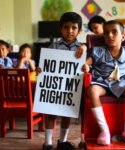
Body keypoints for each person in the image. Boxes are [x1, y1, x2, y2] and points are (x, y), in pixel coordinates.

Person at [82, 20, 125, 145]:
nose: (110, 35)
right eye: (106, 33)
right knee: (92, 90)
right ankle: (104, 131)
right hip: (102, 83)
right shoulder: (99, 51)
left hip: (123, 84)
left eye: (114, 32)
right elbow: (87, 63)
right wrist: (86, 67)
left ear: (123, 37)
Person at [43, 12, 86, 150]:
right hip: (54, 86)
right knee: (50, 113)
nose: (70, 31)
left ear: (79, 30)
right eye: (66, 27)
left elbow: (86, 66)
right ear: (61, 29)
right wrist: (40, 69)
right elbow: (45, 66)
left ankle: (63, 141)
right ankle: (48, 143)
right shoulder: (53, 47)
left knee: (67, 113)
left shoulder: (82, 48)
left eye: (74, 28)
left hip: (70, 87)